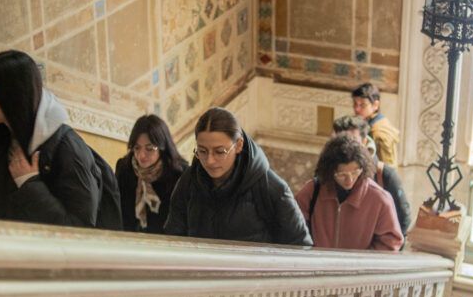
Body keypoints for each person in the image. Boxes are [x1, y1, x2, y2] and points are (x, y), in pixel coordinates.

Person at [0, 50, 108, 227]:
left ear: (13, 98)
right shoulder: (0, 135)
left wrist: (29, 184)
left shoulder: (67, 147)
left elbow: (80, 229)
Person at [164, 107, 312, 246]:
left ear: (239, 145)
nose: (209, 160)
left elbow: (300, 247)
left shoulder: (270, 188)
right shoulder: (188, 182)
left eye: (220, 152)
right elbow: (173, 240)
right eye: (202, 151)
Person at [295, 135, 403, 251]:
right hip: (318, 266)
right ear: (329, 171)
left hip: (359, 267)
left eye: (355, 172)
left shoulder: (380, 199)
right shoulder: (312, 191)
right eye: (341, 175)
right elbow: (294, 230)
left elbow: (390, 243)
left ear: (363, 168)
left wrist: (360, 262)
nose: (349, 180)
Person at [332, 115, 412, 235]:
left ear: (365, 142)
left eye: (353, 141)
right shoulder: (327, 174)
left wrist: (387, 249)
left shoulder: (384, 175)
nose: (347, 148)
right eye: (341, 142)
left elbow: (403, 218)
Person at [115, 114, 187, 233]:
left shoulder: (179, 173)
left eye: (149, 149)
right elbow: (118, 213)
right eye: (137, 148)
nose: (142, 155)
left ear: (163, 147)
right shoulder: (125, 169)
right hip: (130, 242)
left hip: (166, 244)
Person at [351, 82, 401, 167]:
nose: (356, 109)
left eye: (362, 104)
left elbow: (387, 168)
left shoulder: (379, 133)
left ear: (375, 105)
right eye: (355, 103)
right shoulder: (370, 122)